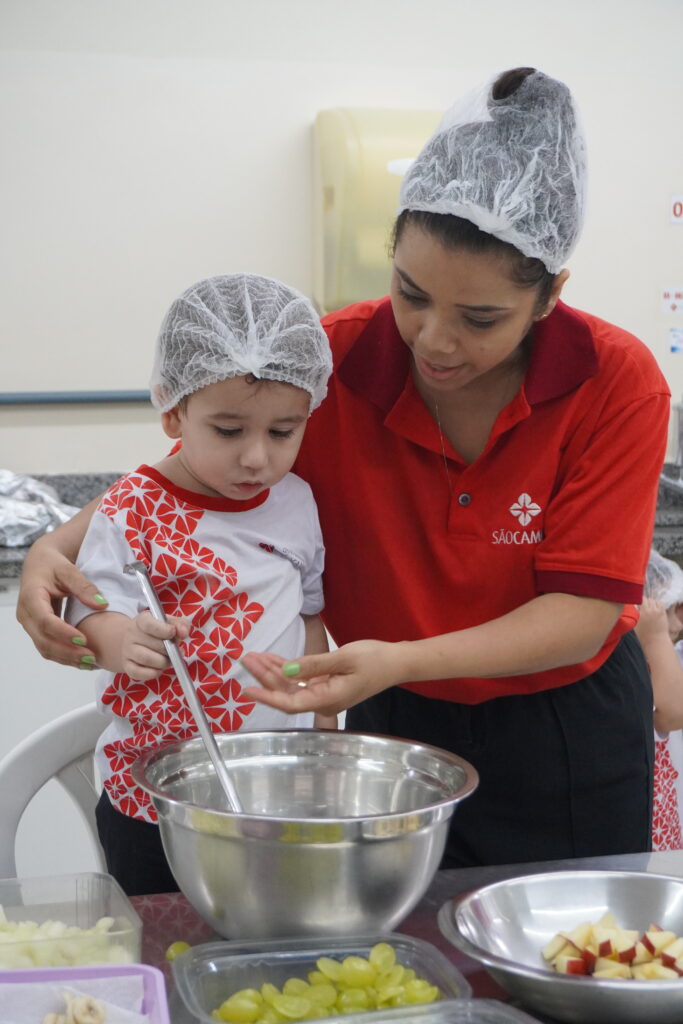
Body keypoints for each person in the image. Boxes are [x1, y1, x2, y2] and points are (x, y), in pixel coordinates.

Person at [17, 68, 671, 870]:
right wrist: (57, 548)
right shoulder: (327, 363)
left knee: (569, 939)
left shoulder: (615, 381)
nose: (433, 340)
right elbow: (187, 474)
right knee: (381, 940)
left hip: (561, 730)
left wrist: (399, 659)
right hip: (384, 716)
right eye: (410, 293)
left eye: (480, 319)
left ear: (549, 295)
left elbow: (582, 614)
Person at [62, 273, 335, 895]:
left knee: (269, 931)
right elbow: (89, 613)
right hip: (153, 797)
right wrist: (122, 641)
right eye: (229, 431)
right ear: (173, 411)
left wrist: (323, 722)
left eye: (283, 432)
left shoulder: (296, 503)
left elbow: (308, 617)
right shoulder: (133, 507)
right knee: (164, 932)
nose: (257, 458)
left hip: (275, 791)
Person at [636, 549, 683, 851]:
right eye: (666, 612)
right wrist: (655, 636)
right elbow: (673, 713)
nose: (676, 626)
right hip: (643, 832)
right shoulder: (639, 667)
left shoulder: (664, 661)